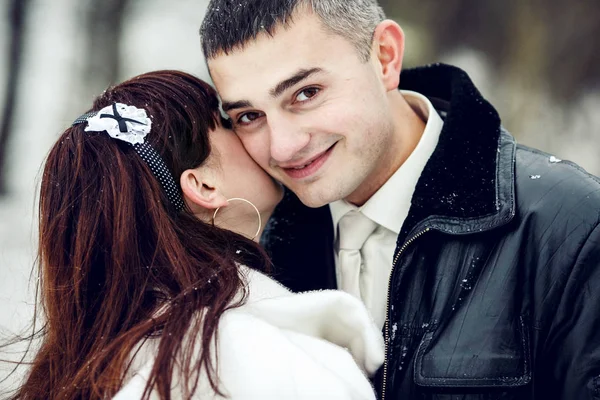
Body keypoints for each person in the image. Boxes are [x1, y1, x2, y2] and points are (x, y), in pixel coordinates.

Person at [199, 1, 600, 399]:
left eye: (306, 93)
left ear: (385, 57)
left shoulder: (571, 228)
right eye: (249, 116)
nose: (283, 148)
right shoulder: (252, 256)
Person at [10, 70, 384, 400]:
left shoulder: (106, 361)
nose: (263, 136)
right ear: (204, 185)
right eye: (228, 122)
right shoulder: (244, 360)